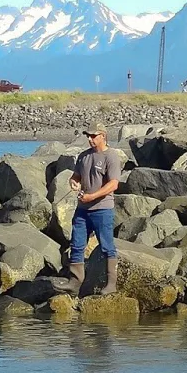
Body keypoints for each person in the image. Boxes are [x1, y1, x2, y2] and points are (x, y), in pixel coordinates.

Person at [67, 123, 121, 294]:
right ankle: (75, 282)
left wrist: (93, 196)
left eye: (93, 136)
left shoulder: (111, 157)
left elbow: (113, 184)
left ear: (102, 136)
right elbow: (76, 176)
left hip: (102, 209)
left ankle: (111, 284)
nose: (90, 139)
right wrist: (74, 182)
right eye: (88, 136)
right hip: (82, 210)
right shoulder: (83, 156)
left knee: (107, 245)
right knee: (77, 244)